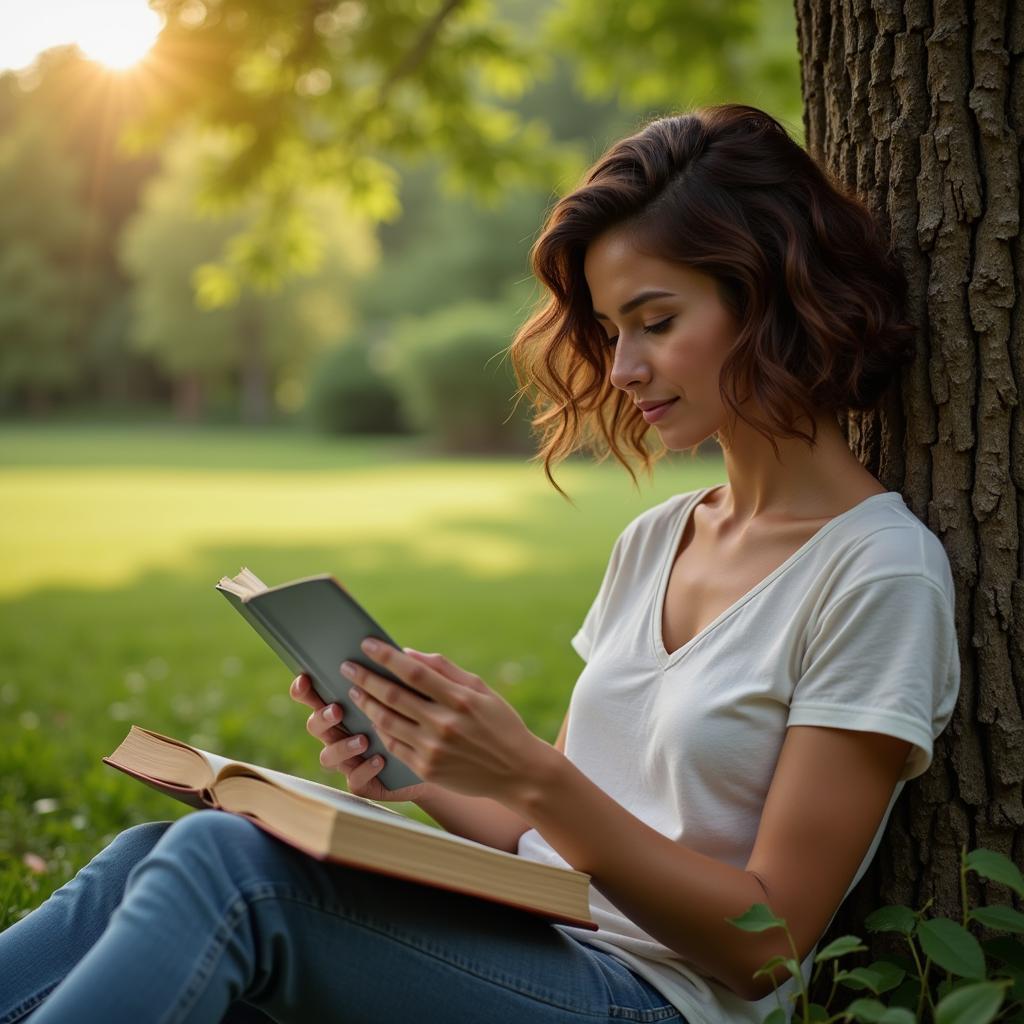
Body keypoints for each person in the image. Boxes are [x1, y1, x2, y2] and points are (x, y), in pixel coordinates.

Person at [0, 103, 960, 1024]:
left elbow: (770, 943)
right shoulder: (660, 538)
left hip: (655, 1002)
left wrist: (536, 775)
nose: (622, 369)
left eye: (656, 322)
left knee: (226, 872)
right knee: (157, 855)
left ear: (770, 297)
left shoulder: (877, 573)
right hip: (539, 946)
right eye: (611, 330)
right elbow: (556, 843)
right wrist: (423, 771)